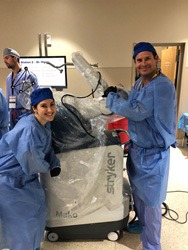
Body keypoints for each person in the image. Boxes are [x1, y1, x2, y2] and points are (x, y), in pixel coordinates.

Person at [103, 42, 177, 250]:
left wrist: (111, 99)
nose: (143, 63)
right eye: (139, 60)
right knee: (140, 196)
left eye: (147, 59)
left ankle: (152, 245)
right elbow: (134, 99)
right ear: (135, 63)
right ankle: (143, 228)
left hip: (153, 153)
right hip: (138, 149)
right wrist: (118, 91)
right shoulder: (140, 83)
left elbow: (137, 111)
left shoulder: (161, 85)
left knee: (151, 203)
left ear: (156, 59)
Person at [0, 88, 61, 250]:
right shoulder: (29, 128)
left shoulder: (44, 124)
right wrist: (47, 167)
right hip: (10, 180)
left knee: (35, 214)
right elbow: (31, 159)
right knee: (22, 223)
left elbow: (46, 149)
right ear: (34, 108)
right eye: (43, 106)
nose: (49, 110)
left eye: (52, 104)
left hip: (25, 179)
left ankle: (32, 246)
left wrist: (54, 163)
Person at [3, 47, 39, 129]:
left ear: (15, 58)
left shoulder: (28, 76)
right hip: (12, 114)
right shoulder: (9, 78)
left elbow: (36, 96)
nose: (4, 61)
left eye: (7, 58)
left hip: (26, 114)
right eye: (3, 59)